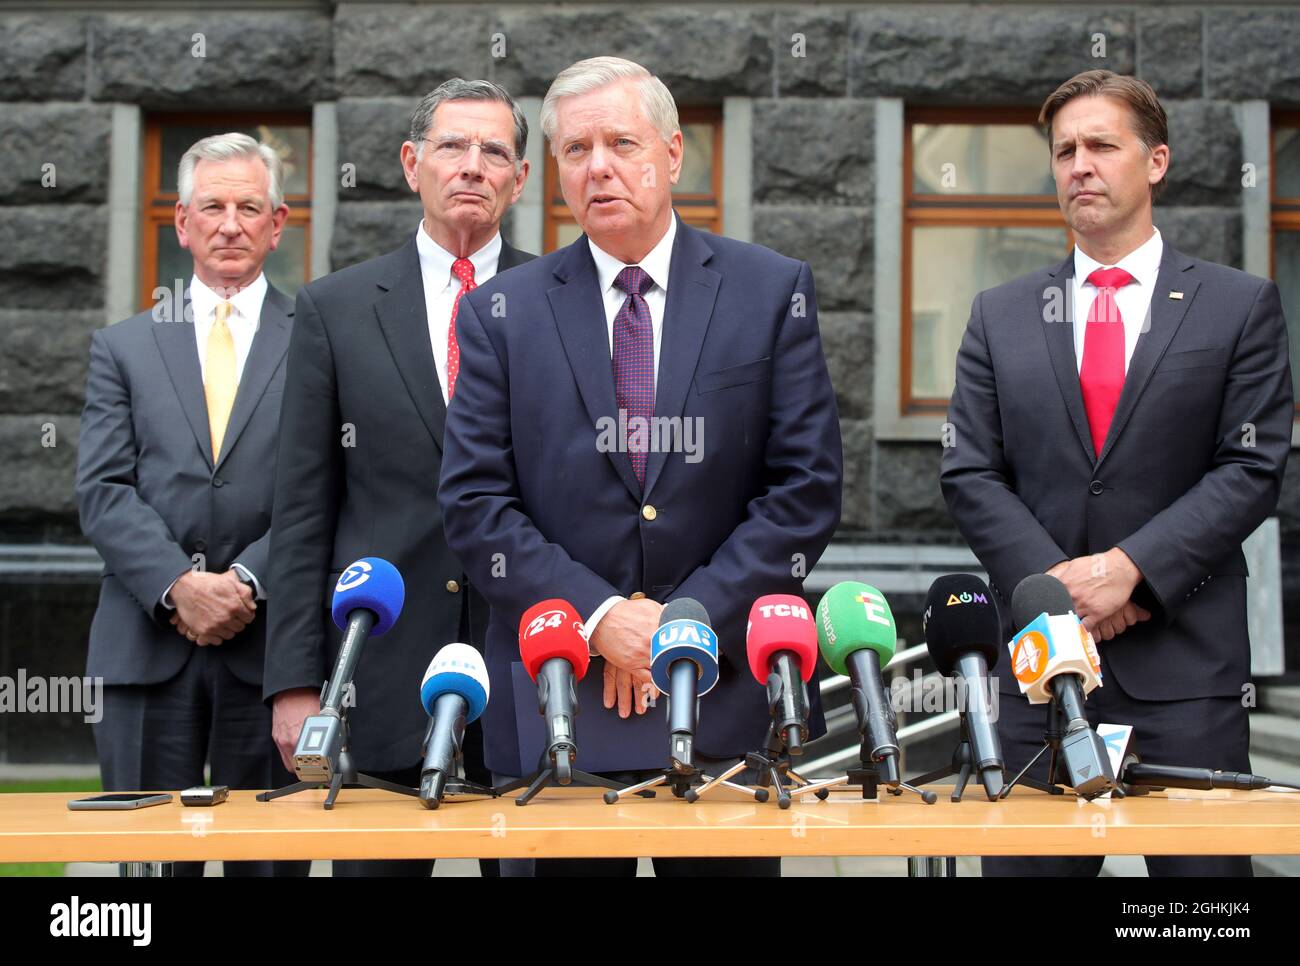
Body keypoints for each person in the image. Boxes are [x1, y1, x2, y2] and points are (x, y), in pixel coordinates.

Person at [439, 56, 843, 877]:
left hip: (723, 684)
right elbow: (475, 504)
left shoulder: (770, 292)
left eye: (621, 142)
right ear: (552, 171)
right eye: (577, 149)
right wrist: (601, 620)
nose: (599, 167)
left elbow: (803, 490)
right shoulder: (500, 315)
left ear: (671, 154)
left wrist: (680, 623)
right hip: (560, 691)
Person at [940, 69, 1293, 876]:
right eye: (1064, 151)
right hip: (1040, 679)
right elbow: (968, 471)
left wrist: (1130, 573)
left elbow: (1253, 467)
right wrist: (1064, 595)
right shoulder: (1001, 315)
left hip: (1188, 680)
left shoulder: (1238, 307)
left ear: (1157, 161)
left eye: (1101, 145)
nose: (1079, 166)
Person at [263, 79, 533, 877]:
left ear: (519, 180)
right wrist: (292, 683)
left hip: (522, 673)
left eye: (495, 152)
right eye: (453, 147)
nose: (472, 167)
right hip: (373, 673)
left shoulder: (560, 301)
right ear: (413, 163)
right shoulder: (334, 309)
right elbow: (303, 506)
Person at [76, 133, 308, 877]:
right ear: (182, 223)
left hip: (272, 653)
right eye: (212, 205)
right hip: (147, 653)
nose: (230, 223)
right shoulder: (122, 348)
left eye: (249, 206)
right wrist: (179, 586)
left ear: (278, 223)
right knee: (145, 873)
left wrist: (244, 582)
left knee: (268, 864)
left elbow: (326, 488)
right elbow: (103, 491)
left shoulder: (320, 343)